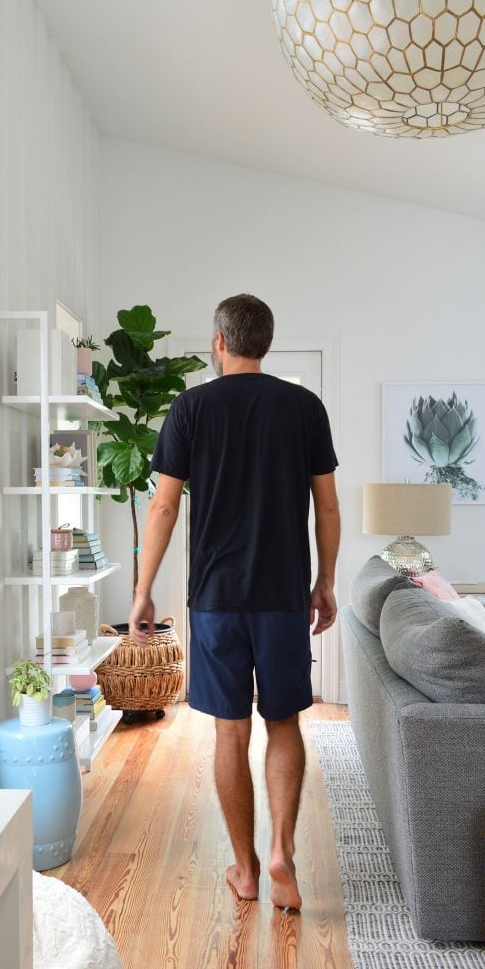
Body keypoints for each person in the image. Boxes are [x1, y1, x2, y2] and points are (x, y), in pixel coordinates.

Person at [128, 293, 340, 911]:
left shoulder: (191, 406)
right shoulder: (304, 406)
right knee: (284, 721)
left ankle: (246, 870)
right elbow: (326, 505)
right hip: (281, 597)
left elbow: (164, 505)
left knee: (230, 729)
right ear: (264, 343)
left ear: (218, 342)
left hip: (217, 597)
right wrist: (324, 581)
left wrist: (142, 592)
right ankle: (282, 851)